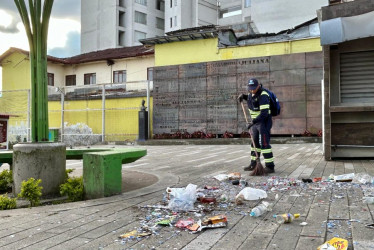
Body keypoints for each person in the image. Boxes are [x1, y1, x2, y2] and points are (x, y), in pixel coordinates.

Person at [238, 78, 275, 174]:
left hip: (263, 122)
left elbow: (264, 113)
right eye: (250, 88)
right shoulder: (251, 92)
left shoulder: (263, 96)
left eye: (254, 88)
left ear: (258, 86)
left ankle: (270, 166)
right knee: (254, 143)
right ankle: (253, 164)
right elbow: (253, 99)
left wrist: (253, 122)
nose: (252, 90)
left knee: (264, 143)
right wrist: (244, 97)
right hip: (255, 123)